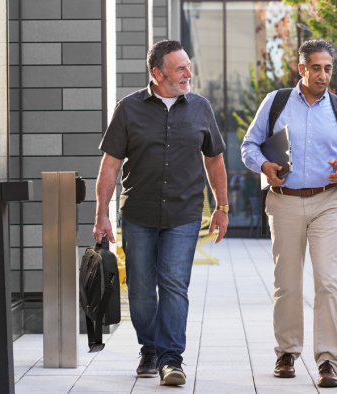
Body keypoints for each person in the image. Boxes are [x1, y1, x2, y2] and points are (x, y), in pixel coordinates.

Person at [94, 40, 228, 387]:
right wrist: (101, 213)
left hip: (183, 213)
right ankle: (149, 347)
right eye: (180, 68)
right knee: (139, 289)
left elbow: (214, 159)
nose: (189, 73)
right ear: (158, 73)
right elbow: (110, 164)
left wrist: (222, 206)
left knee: (173, 284)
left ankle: (171, 359)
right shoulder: (128, 109)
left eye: (188, 65)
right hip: (138, 213)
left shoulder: (200, 108)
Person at [241, 39, 337, 388]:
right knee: (288, 283)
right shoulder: (276, 102)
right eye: (316, 68)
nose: (323, 74)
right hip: (283, 200)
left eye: (328, 68)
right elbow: (248, 146)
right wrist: (264, 164)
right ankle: (286, 352)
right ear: (301, 68)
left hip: (327, 200)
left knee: (328, 281)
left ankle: (328, 361)